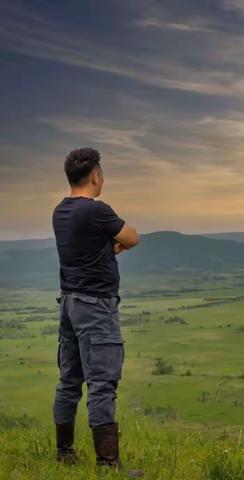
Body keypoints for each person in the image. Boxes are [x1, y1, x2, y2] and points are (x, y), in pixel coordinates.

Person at [51, 147, 142, 476]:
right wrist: (115, 245)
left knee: (68, 382)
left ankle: (65, 454)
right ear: (95, 176)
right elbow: (132, 237)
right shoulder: (97, 211)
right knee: (102, 384)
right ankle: (108, 465)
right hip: (96, 307)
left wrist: (107, 247)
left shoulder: (60, 211)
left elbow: (90, 247)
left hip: (69, 304)